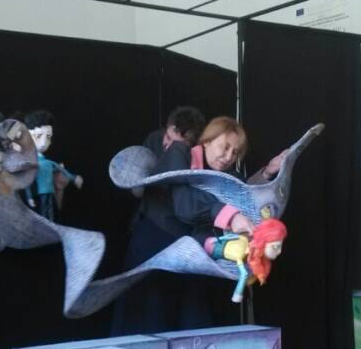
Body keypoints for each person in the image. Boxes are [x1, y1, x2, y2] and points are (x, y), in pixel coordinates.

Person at [111, 115, 286, 333]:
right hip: (154, 248)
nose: (228, 156)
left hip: (191, 256)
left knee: (191, 325)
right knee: (149, 321)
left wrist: (268, 172)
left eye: (235, 152)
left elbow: (242, 194)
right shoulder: (179, 153)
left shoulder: (225, 174)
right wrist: (231, 216)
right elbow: (184, 203)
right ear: (207, 140)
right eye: (225, 147)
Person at [23, 109, 83, 221]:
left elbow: (62, 171)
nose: (44, 143)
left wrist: (73, 178)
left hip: (47, 193)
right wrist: (29, 197)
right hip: (29, 206)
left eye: (48, 137)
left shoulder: (48, 163)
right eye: (38, 136)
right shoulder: (25, 162)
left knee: (49, 211)